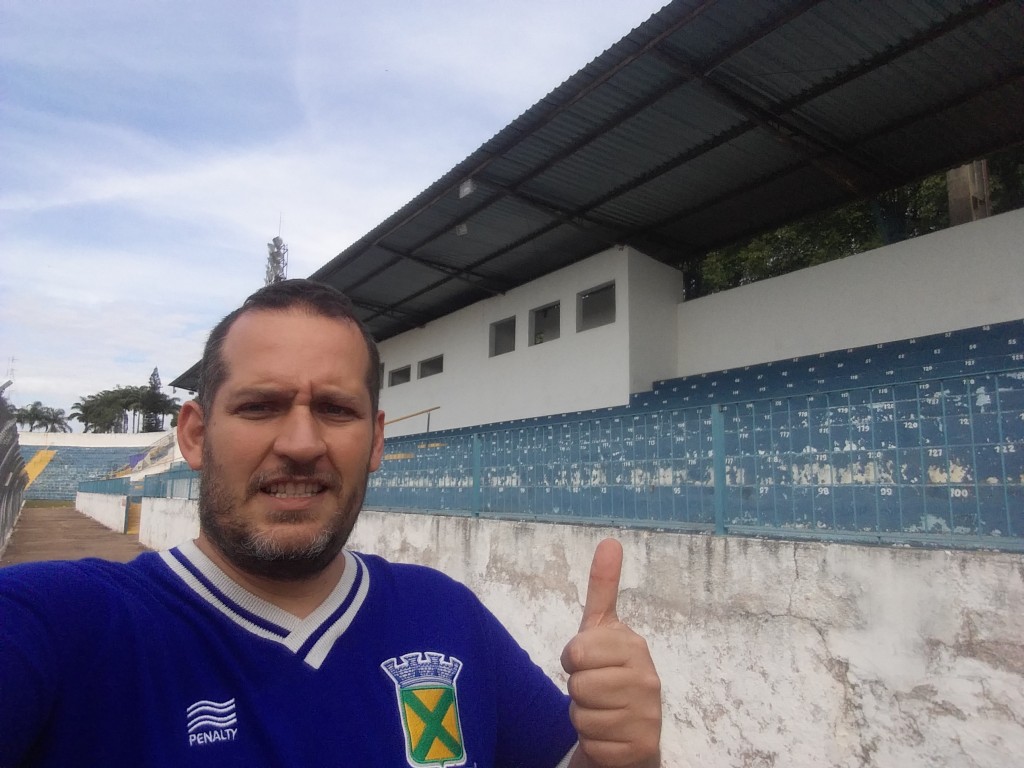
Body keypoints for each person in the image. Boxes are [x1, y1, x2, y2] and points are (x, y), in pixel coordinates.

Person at [0, 279, 661, 768]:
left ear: (375, 441)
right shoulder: (61, 624)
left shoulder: (448, 616)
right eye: (261, 405)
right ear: (196, 435)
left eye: (336, 410)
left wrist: (615, 759)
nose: (301, 442)